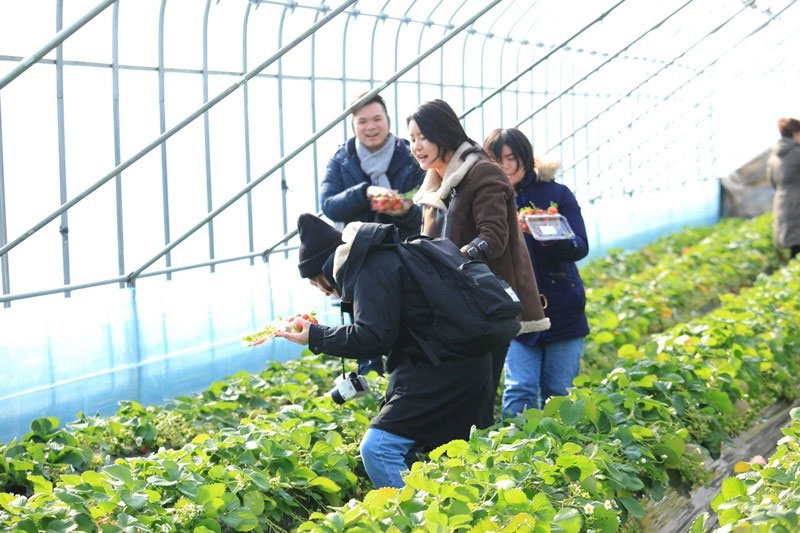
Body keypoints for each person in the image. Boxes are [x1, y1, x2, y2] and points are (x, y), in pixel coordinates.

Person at [276, 214, 494, 488]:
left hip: (444, 368)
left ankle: (412, 520)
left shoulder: (371, 268)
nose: (321, 292)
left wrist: (316, 336)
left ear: (323, 271)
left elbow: (373, 337)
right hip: (460, 362)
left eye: (313, 282)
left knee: (378, 448)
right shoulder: (379, 257)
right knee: (453, 458)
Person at [409, 99, 550, 398]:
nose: (416, 146)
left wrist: (454, 261)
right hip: (452, 307)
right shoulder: (435, 183)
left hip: (486, 306)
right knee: (460, 393)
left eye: (423, 137)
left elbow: (493, 236)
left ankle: (482, 441)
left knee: (477, 394)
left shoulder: (483, 173)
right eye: (412, 139)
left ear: (443, 133)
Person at [483, 128, 589, 416]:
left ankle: (559, 454)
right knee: (520, 388)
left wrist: (550, 235)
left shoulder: (556, 194)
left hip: (562, 306)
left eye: (512, 158)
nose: (505, 166)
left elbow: (580, 246)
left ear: (526, 159)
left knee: (558, 392)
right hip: (515, 309)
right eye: (497, 159)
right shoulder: (486, 199)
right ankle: (517, 454)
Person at [321, 93, 425, 376]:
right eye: (362, 120)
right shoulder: (343, 159)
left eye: (377, 119)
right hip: (359, 257)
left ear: (388, 121)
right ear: (353, 125)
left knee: (404, 322)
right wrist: (363, 193)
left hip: (403, 254)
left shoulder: (410, 156)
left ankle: (403, 379)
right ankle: (370, 380)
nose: (371, 126)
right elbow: (328, 205)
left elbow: (426, 210)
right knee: (364, 326)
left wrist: (402, 208)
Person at [766, 117, 800, 259]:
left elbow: (772, 182)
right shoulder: (797, 153)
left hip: (783, 204)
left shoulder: (773, 157)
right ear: (795, 133)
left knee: (795, 251)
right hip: (798, 203)